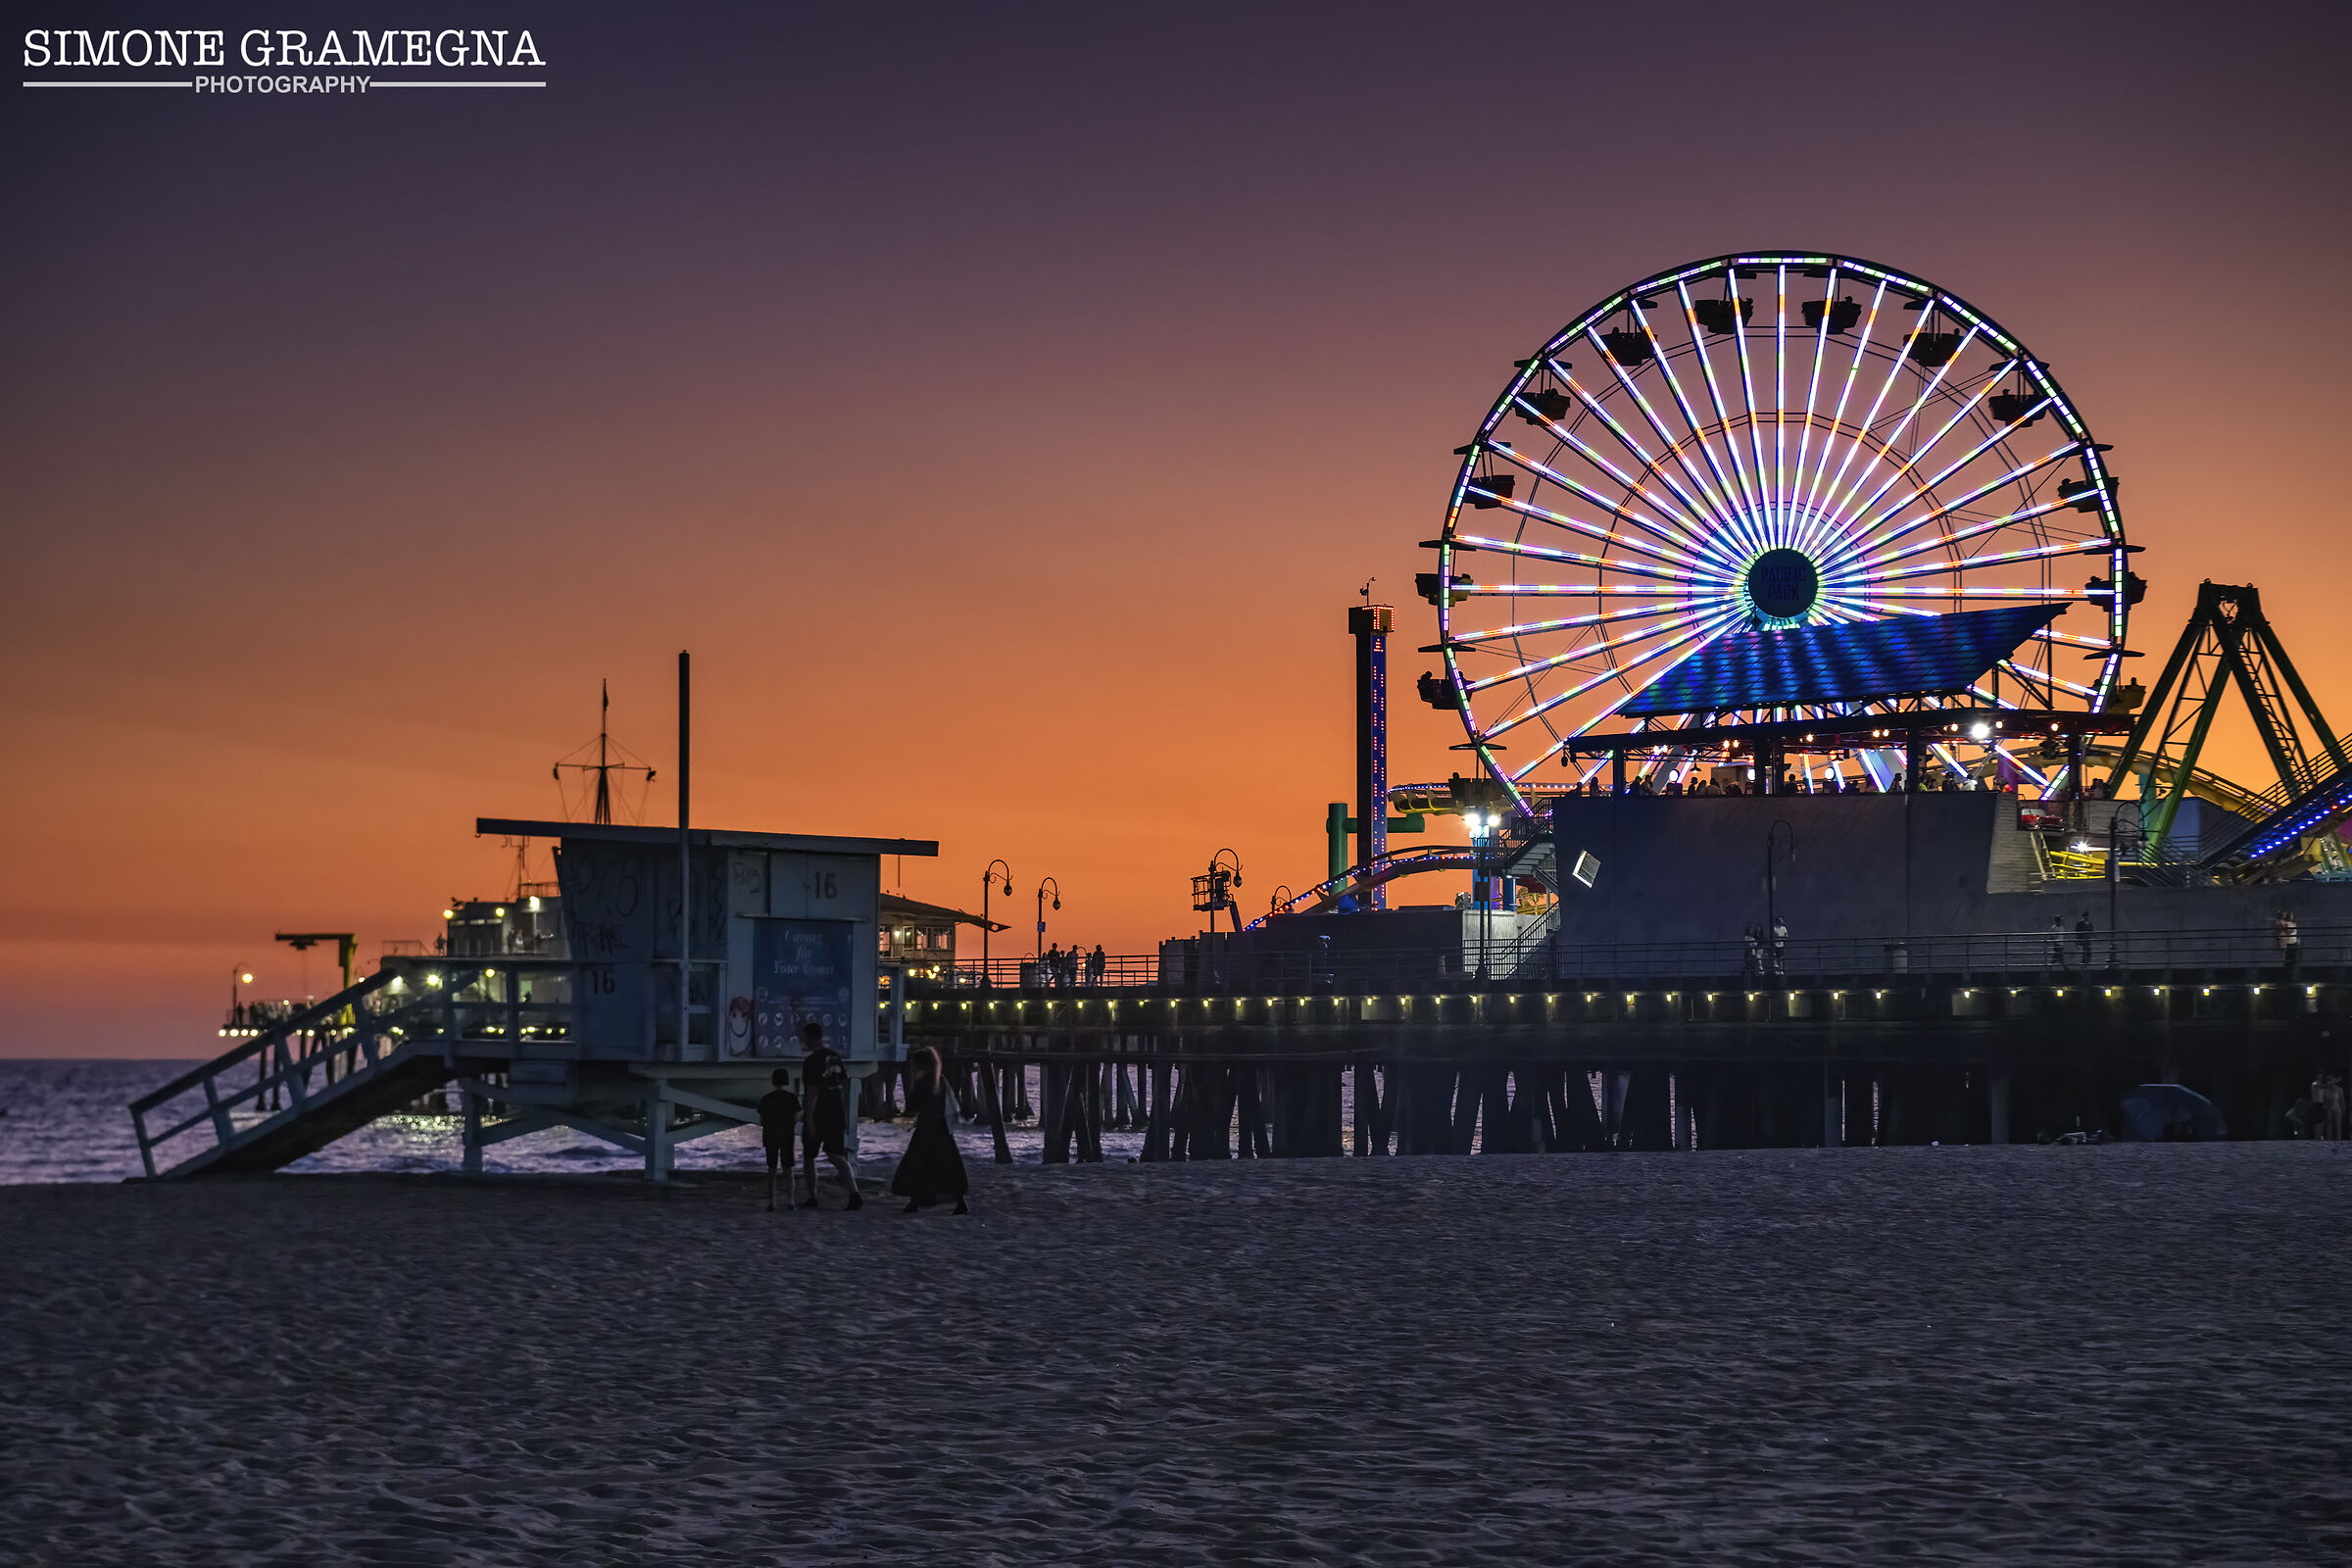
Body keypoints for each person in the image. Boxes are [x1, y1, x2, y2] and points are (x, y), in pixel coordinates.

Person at [889, 1045, 970, 1214]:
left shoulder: (922, 1084)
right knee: (947, 1166)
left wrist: (899, 1117)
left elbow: (912, 1107)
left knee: (917, 1166)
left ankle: (914, 1202)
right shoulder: (941, 1081)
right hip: (942, 1130)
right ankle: (959, 1201)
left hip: (926, 1130)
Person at [799, 1020, 861, 1209]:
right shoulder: (834, 1057)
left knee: (809, 1156)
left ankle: (812, 1196)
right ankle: (854, 1192)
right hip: (836, 1111)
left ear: (811, 1037)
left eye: (806, 1038)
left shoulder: (811, 1062)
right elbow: (841, 1085)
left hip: (820, 1113)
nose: (804, 1041)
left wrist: (808, 1119)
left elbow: (812, 1092)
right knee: (835, 1154)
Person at [758, 1066, 800, 1213]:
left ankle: (773, 1201)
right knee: (788, 1169)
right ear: (787, 1081)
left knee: (772, 1170)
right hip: (787, 1136)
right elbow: (795, 1118)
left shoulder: (766, 1099)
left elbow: (761, 1119)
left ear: (773, 1081)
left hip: (770, 1136)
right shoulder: (792, 1099)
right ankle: (791, 1200)